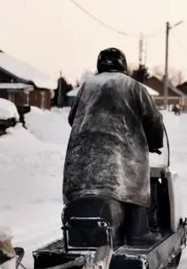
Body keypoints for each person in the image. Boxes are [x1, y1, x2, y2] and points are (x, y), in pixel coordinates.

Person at [63, 48, 165, 243]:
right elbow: (153, 120)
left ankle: (79, 233)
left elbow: (72, 118)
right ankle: (138, 232)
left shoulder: (86, 86)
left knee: (82, 188)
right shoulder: (133, 86)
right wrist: (154, 142)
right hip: (121, 155)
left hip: (82, 157)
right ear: (123, 65)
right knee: (134, 181)